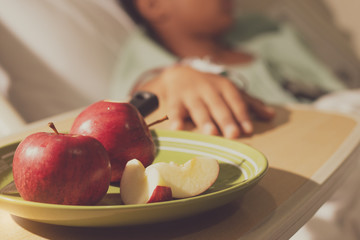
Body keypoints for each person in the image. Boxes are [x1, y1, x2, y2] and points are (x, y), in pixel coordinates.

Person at [110, 0, 346, 139]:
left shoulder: (266, 32)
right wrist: (173, 79)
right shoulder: (150, 65)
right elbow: (132, 110)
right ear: (153, 4)